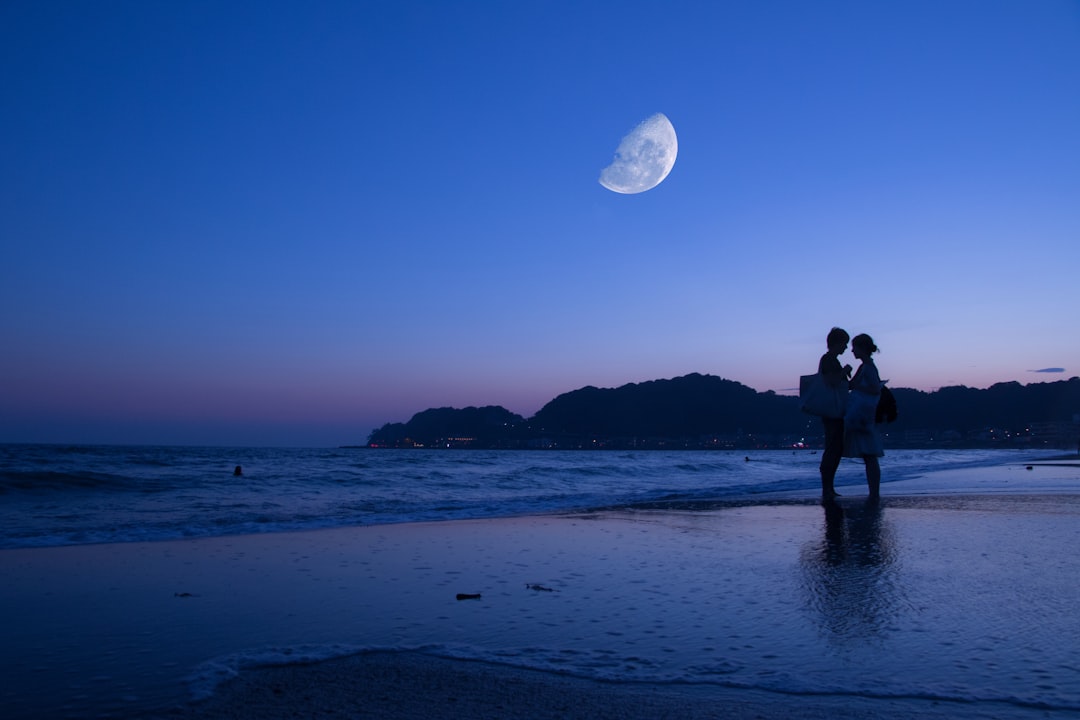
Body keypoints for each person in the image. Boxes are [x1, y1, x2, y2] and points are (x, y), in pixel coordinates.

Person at [844, 333, 884, 498]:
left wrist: (857, 388)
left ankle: (874, 493)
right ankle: (873, 492)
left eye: (855, 347)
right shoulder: (866, 366)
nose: (852, 350)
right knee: (869, 455)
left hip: (864, 415)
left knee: (869, 455)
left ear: (862, 348)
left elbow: (875, 389)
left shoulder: (868, 367)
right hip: (862, 414)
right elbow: (851, 385)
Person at [818, 327, 852, 498]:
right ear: (837, 343)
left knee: (835, 447)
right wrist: (844, 371)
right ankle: (827, 488)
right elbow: (832, 381)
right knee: (834, 447)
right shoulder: (829, 359)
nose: (846, 348)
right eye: (844, 344)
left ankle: (829, 488)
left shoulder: (830, 359)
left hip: (834, 410)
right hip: (832, 411)